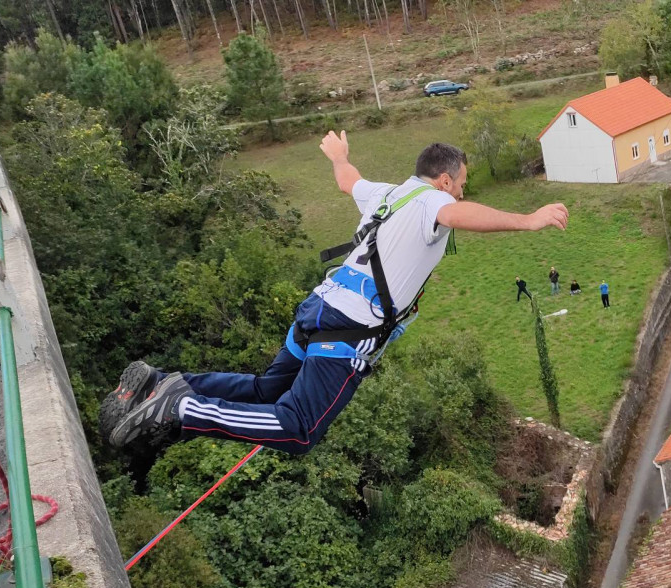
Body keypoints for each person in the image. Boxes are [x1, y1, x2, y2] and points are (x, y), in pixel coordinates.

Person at [100, 134, 568, 454]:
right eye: (461, 183)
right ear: (444, 179)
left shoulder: (386, 192)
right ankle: (180, 407)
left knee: (268, 389)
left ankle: (157, 381)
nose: (462, 192)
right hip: (348, 328)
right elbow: (456, 217)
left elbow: (348, 180)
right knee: (298, 427)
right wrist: (529, 219)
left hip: (318, 307)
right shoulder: (435, 202)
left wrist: (339, 156)